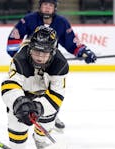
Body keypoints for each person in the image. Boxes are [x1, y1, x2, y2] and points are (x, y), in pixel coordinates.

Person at [6, 0, 96, 132]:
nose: (47, 7)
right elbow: (14, 38)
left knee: (52, 89)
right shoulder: (29, 19)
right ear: (40, 6)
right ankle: (21, 112)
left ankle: (50, 114)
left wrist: (83, 51)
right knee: (26, 89)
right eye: (45, 4)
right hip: (30, 63)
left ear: (55, 8)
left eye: (50, 5)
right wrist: (20, 56)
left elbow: (71, 42)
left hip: (48, 64)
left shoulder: (61, 22)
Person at [1, 26, 69, 149]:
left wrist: (38, 107)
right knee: (16, 122)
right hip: (23, 93)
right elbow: (9, 85)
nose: (39, 56)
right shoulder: (20, 59)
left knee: (47, 121)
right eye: (36, 51)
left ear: (52, 52)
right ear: (30, 47)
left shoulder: (60, 64)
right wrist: (19, 102)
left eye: (44, 53)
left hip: (44, 96)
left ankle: (39, 139)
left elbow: (57, 95)